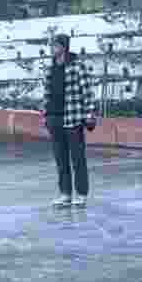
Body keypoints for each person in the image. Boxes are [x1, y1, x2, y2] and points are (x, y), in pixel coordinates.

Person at [40, 34, 100, 207]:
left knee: (78, 159)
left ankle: (81, 194)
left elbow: (87, 92)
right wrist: (45, 115)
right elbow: (46, 95)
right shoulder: (49, 69)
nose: (52, 49)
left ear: (63, 47)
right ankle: (65, 194)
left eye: (54, 46)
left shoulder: (77, 67)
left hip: (73, 118)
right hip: (54, 119)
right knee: (61, 159)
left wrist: (90, 115)